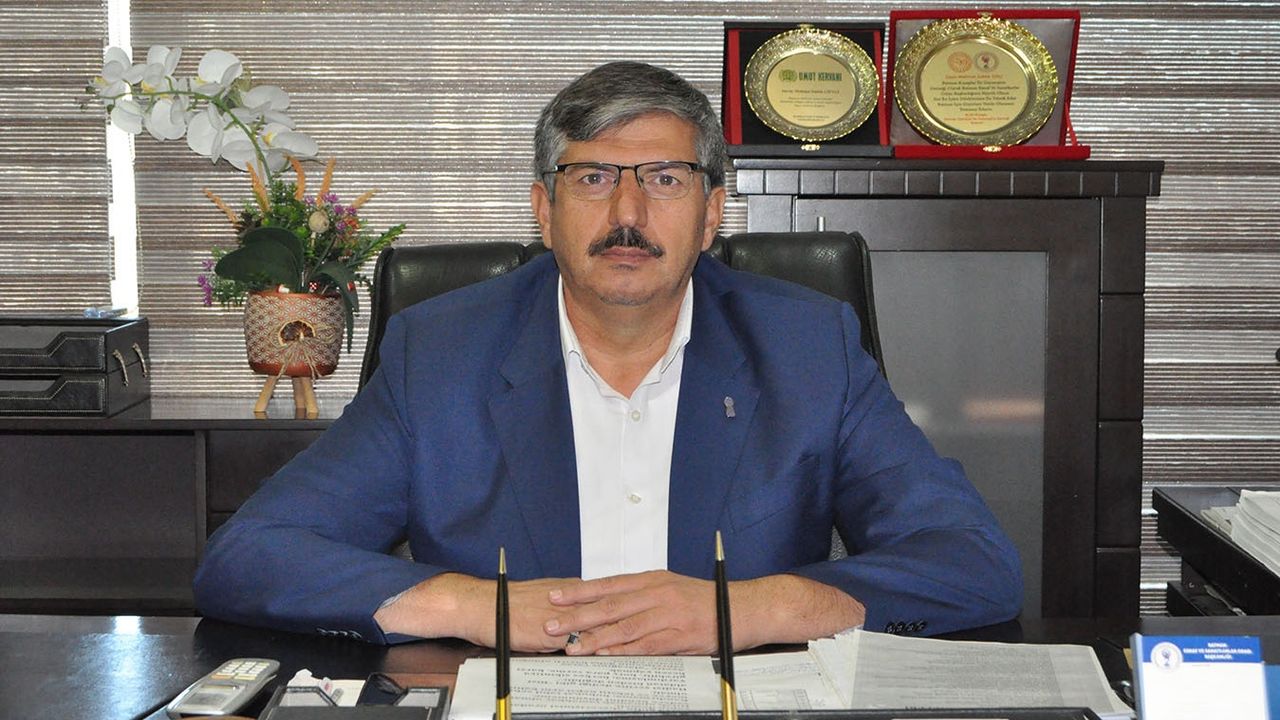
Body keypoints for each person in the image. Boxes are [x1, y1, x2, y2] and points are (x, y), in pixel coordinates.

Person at [193, 61, 1021, 653]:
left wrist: (743, 611)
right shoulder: (440, 355)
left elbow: (974, 564)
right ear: (544, 210)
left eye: (664, 179)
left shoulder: (807, 349)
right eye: (592, 178)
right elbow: (249, 555)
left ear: (711, 215)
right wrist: (476, 608)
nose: (627, 212)